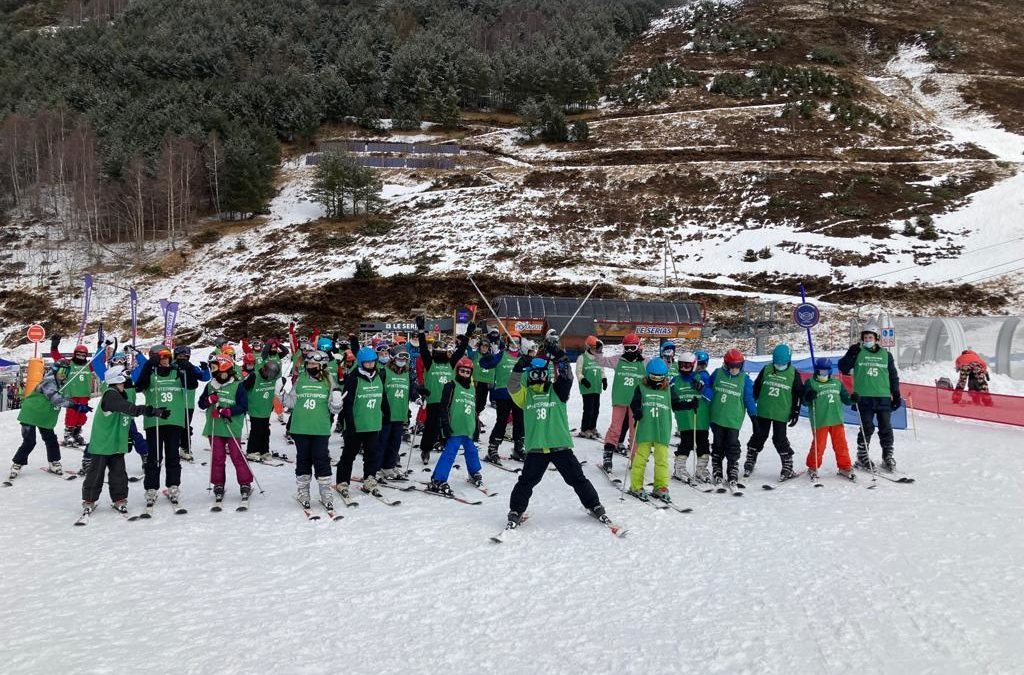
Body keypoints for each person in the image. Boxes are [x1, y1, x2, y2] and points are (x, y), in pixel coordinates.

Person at [503, 356, 610, 531]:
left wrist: (561, 357)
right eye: (535, 374)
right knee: (526, 482)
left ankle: (594, 505)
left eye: (542, 374)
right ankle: (516, 510)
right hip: (537, 448)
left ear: (548, 375)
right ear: (529, 376)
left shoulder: (557, 391)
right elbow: (512, 387)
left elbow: (567, 378)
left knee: (577, 478)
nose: (539, 377)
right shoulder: (525, 395)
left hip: (559, 446)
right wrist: (518, 367)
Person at [79, 366, 169, 517]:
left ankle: (119, 499)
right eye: (124, 377)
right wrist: (151, 410)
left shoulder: (120, 394)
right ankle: (89, 500)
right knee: (96, 474)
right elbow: (127, 408)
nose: (126, 381)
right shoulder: (111, 395)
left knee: (119, 474)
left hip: (116, 444)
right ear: (117, 379)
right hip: (103, 444)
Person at [627, 358, 696, 502]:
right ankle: (636, 486)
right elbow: (634, 403)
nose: (657, 381)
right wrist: (637, 410)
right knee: (640, 459)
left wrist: (689, 404)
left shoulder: (669, 390)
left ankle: (661, 486)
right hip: (646, 428)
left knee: (662, 460)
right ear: (648, 375)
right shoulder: (641, 388)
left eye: (660, 378)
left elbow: (676, 405)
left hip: (662, 430)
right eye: (654, 377)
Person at [281, 350, 342, 510]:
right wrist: (280, 393)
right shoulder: (301, 379)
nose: (310, 366)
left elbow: (334, 409)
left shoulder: (329, 380)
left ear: (322, 365)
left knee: (321, 459)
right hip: (300, 427)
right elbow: (291, 402)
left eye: (314, 364)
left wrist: (337, 403)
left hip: (320, 428)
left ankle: (325, 492)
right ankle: (303, 492)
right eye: (308, 364)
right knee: (303, 459)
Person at [838, 321, 902, 471]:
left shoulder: (886, 355)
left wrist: (896, 393)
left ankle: (887, 456)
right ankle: (862, 456)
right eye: (865, 337)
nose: (867, 340)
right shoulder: (858, 351)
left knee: (886, 427)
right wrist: (850, 354)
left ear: (877, 338)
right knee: (867, 427)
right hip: (864, 397)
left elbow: (893, 375)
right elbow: (843, 368)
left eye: (870, 337)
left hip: (883, 396)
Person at [135, 344, 192, 508]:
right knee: (154, 457)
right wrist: (147, 365)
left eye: (167, 356)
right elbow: (138, 386)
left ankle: (173, 485)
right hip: (155, 422)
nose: (165, 360)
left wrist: (187, 367)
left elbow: (193, 383)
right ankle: (151, 488)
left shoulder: (177, 372)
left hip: (174, 421)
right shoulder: (150, 373)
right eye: (161, 357)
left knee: (173, 455)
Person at [9, 361, 87, 480]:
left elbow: (65, 397)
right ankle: (17, 463)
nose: (64, 374)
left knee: (51, 439)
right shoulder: (49, 381)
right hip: (31, 414)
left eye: (66, 371)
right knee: (29, 441)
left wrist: (77, 404)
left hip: (45, 416)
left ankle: (54, 462)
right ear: (55, 370)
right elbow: (55, 399)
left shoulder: (63, 384)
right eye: (61, 371)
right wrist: (75, 406)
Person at [414, 315, 471, 464]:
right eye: (437, 351)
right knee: (431, 427)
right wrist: (421, 331)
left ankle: (446, 445)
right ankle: (426, 449)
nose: (440, 353)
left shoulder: (450, 364)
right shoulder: (430, 363)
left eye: (442, 351)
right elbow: (423, 349)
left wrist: (468, 335)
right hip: (433, 401)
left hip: (448, 402)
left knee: (448, 425)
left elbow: (460, 350)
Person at [198, 355, 253, 507]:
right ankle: (218, 483)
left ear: (225, 369)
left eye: (215, 368)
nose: (214, 372)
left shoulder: (237, 385)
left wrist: (229, 411)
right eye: (212, 368)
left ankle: (245, 483)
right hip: (214, 427)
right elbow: (201, 404)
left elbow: (243, 406)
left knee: (237, 456)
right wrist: (209, 400)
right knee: (217, 457)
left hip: (231, 427)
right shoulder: (210, 386)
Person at [743, 344, 804, 479]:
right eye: (776, 363)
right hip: (764, 411)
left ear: (789, 360)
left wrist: (795, 412)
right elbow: (756, 388)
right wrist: (751, 404)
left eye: (782, 364)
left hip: (781, 413)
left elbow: (798, 394)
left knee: (779, 439)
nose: (779, 366)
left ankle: (787, 464)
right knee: (759, 436)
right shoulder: (766, 369)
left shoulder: (794, 373)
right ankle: (750, 459)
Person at [337, 346, 390, 497]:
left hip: (373, 423)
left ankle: (369, 479)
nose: (370, 365)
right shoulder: (353, 378)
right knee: (349, 454)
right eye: (367, 363)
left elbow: (383, 396)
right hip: (357, 424)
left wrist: (387, 413)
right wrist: (350, 424)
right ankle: (342, 481)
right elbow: (347, 404)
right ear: (361, 363)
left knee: (372, 454)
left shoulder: (378, 376)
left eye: (372, 362)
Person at [428, 356, 483, 495]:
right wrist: (445, 425)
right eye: (462, 371)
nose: (464, 374)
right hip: (455, 429)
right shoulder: (451, 385)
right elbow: (444, 407)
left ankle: (474, 472)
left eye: (467, 372)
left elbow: (474, 411)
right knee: (450, 453)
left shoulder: (472, 389)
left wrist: (476, 427)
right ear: (457, 371)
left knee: (472, 451)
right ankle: (438, 479)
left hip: (467, 428)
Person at [592, 333, 646, 473]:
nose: (629, 351)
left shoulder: (644, 362)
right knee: (615, 428)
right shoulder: (618, 360)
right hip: (620, 400)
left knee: (635, 432)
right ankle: (608, 456)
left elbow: (658, 373)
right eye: (626, 348)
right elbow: (601, 361)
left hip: (636, 403)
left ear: (638, 347)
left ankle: (636, 459)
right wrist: (598, 351)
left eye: (632, 348)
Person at [705, 348, 758, 486]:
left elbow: (749, 399)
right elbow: (708, 387)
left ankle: (732, 467)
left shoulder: (744, 380)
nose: (734, 370)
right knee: (718, 444)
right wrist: (704, 391)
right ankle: (717, 467)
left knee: (732, 444)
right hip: (717, 417)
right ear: (726, 364)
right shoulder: (718, 373)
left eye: (737, 367)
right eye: (731, 367)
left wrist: (754, 416)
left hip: (733, 420)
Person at [803, 358, 855, 480]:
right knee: (819, 445)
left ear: (830, 371)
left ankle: (845, 467)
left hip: (836, 418)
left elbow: (846, 399)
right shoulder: (811, 382)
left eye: (825, 372)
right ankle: (813, 466)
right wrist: (808, 396)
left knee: (841, 444)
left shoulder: (837, 383)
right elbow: (805, 401)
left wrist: (853, 398)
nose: (823, 374)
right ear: (816, 371)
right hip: (821, 419)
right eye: (821, 372)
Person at [478, 329, 524, 465]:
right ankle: (493, 448)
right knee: (502, 421)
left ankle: (518, 447)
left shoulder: (523, 357)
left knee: (519, 421)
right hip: (503, 393)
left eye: (517, 342)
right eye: (512, 341)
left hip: (519, 394)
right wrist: (491, 355)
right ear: (508, 342)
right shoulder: (501, 355)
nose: (514, 344)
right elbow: (484, 364)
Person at [672, 351, 711, 483]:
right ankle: (679, 468)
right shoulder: (675, 380)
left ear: (694, 366)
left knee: (703, 444)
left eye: (688, 366)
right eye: (682, 365)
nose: (684, 368)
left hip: (701, 417)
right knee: (686, 442)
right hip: (685, 418)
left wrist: (702, 389)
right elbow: (671, 399)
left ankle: (701, 468)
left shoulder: (701, 378)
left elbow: (711, 396)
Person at [49, 335, 95, 447]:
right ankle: (68, 432)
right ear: (74, 354)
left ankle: (76, 432)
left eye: (83, 355)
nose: (80, 357)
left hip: (84, 394)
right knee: (72, 414)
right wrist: (54, 347)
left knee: (82, 415)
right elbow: (57, 358)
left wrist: (102, 345)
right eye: (78, 354)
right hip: (71, 393)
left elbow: (100, 360)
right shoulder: (69, 363)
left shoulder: (89, 366)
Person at [378, 346, 412, 481]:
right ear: (393, 358)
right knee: (382, 442)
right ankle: (377, 467)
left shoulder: (406, 373)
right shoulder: (384, 372)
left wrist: (419, 395)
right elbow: (379, 391)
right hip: (386, 414)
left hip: (400, 413)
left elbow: (411, 389)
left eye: (405, 358)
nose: (402, 360)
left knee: (395, 442)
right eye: (399, 357)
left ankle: (389, 466)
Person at [174, 345, 210, 461]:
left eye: (185, 356)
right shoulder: (171, 367)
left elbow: (205, 378)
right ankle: (172, 448)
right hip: (174, 402)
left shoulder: (191, 367)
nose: (182, 358)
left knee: (185, 426)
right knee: (173, 427)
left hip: (187, 403)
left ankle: (185, 448)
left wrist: (205, 369)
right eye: (180, 356)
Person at [244, 357, 282, 462]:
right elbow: (243, 389)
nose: (270, 378)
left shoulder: (273, 378)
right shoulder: (254, 376)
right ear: (265, 370)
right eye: (269, 376)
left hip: (266, 408)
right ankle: (252, 451)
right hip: (255, 408)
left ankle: (264, 450)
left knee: (266, 431)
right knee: (256, 430)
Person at [575, 335, 607, 440]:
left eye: (596, 348)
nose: (595, 350)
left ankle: (592, 427)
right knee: (588, 409)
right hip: (587, 388)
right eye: (593, 348)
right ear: (588, 347)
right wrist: (583, 379)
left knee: (596, 409)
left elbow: (601, 370)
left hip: (596, 387)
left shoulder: (598, 358)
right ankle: (585, 429)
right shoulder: (582, 358)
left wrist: (604, 379)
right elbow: (578, 372)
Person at [470, 335, 495, 443]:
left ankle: (475, 422)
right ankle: (474, 431)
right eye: (482, 346)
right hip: (476, 384)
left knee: (481, 405)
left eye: (486, 346)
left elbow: (493, 368)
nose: (484, 348)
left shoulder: (490, 356)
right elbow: (468, 356)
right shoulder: (476, 355)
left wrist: (491, 381)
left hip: (485, 384)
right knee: (474, 406)